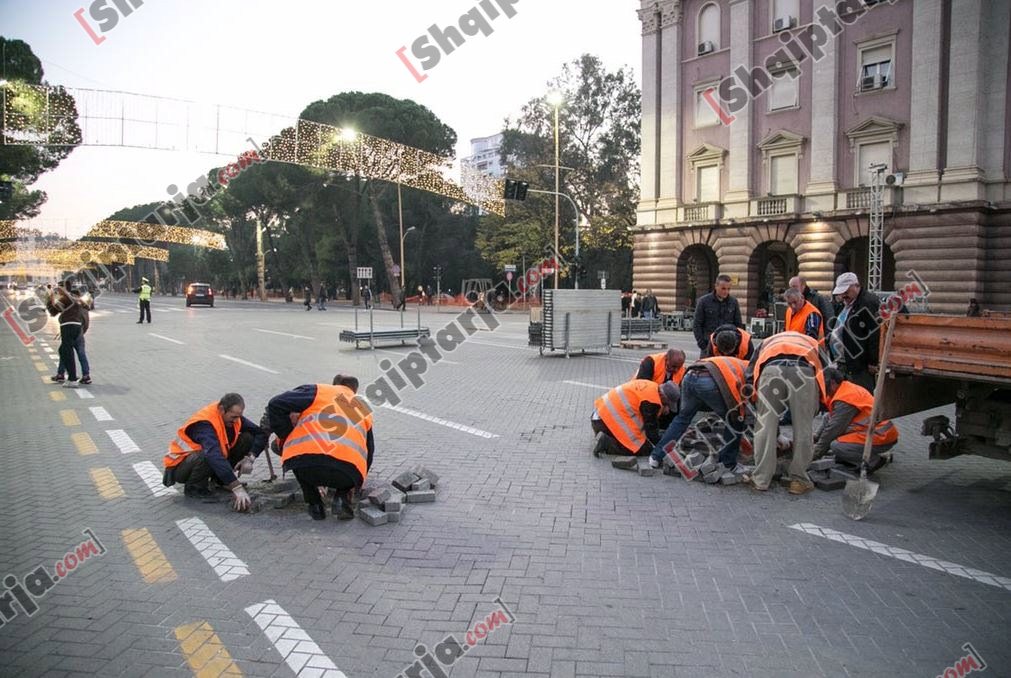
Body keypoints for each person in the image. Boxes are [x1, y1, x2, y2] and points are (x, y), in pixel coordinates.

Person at [267, 374, 374, 521]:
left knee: (298, 456)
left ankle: (315, 505)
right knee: (348, 467)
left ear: (334, 384)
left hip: (307, 468)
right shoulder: (362, 407)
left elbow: (275, 404)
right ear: (354, 391)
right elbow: (370, 450)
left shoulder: (319, 391)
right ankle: (341, 497)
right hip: (346, 474)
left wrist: (286, 435)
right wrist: (356, 483)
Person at [744, 331, 826, 495]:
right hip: (803, 370)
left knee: (765, 425)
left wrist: (756, 401)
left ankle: (761, 479)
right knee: (803, 426)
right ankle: (799, 480)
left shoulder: (768, 340)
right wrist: (818, 403)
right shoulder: (812, 342)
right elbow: (826, 371)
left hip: (771, 369)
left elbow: (751, 370)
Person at [162, 393, 268, 511]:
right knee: (206, 455)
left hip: (204, 460)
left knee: (247, 438)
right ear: (222, 410)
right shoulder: (204, 424)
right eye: (233, 417)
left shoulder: (235, 418)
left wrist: (250, 457)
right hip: (180, 467)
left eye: (239, 416)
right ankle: (195, 488)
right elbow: (213, 455)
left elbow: (260, 433)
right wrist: (236, 487)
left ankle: (221, 481)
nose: (237, 420)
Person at [648, 356, 749, 472]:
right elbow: (747, 400)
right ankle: (727, 464)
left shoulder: (739, 364)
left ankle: (655, 457)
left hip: (690, 375)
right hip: (709, 381)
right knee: (734, 421)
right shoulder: (751, 372)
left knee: (682, 419)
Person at [814, 368, 898, 473]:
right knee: (828, 417)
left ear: (832, 383)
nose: (823, 393)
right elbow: (829, 419)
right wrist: (815, 438)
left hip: (881, 435)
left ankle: (874, 461)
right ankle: (858, 456)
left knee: (837, 446)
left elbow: (833, 430)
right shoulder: (843, 389)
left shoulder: (846, 399)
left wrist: (815, 454)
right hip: (873, 432)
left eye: (824, 389)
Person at [591, 380, 679, 457]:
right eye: (667, 403)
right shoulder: (651, 401)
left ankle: (604, 437)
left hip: (599, 417)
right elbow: (651, 431)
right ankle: (607, 443)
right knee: (642, 449)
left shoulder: (651, 386)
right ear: (663, 397)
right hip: (604, 423)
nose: (667, 407)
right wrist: (661, 448)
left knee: (641, 438)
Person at [828, 272, 881, 391]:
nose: (843, 295)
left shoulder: (867, 303)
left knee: (861, 394)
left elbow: (874, 333)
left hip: (859, 365)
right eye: (842, 292)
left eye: (846, 292)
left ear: (856, 286)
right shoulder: (846, 304)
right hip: (844, 362)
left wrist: (873, 361)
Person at [46, 281, 88, 388]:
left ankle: (72, 379)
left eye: (59, 288)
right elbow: (53, 311)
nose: (57, 291)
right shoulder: (74, 299)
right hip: (75, 327)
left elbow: (53, 312)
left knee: (68, 352)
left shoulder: (68, 299)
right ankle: (70, 376)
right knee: (64, 351)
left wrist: (50, 297)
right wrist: (50, 298)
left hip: (69, 327)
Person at [693, 275, 744, 358]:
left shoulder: (733, 302)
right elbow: (697, 324)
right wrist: (703, 345)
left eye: (728, 289)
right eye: (723, 288)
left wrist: (736, 344)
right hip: (709, 346)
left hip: (729, 348)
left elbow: (738, 325)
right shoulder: (704, 302)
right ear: (716, 286)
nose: (726, 292)